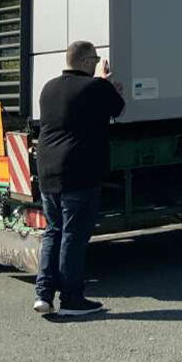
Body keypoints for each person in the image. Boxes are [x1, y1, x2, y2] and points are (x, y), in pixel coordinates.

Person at [33, 39, 124, 316]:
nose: (97, 65)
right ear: (85, 62)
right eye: (95, 60)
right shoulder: (95, 87)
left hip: (47, 169)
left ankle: (43, 295)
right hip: (79, 171)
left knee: (53, 231)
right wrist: (108, 85)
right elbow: (118, 108)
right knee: (73, 234)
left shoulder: (48, 87)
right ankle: (72, 299)